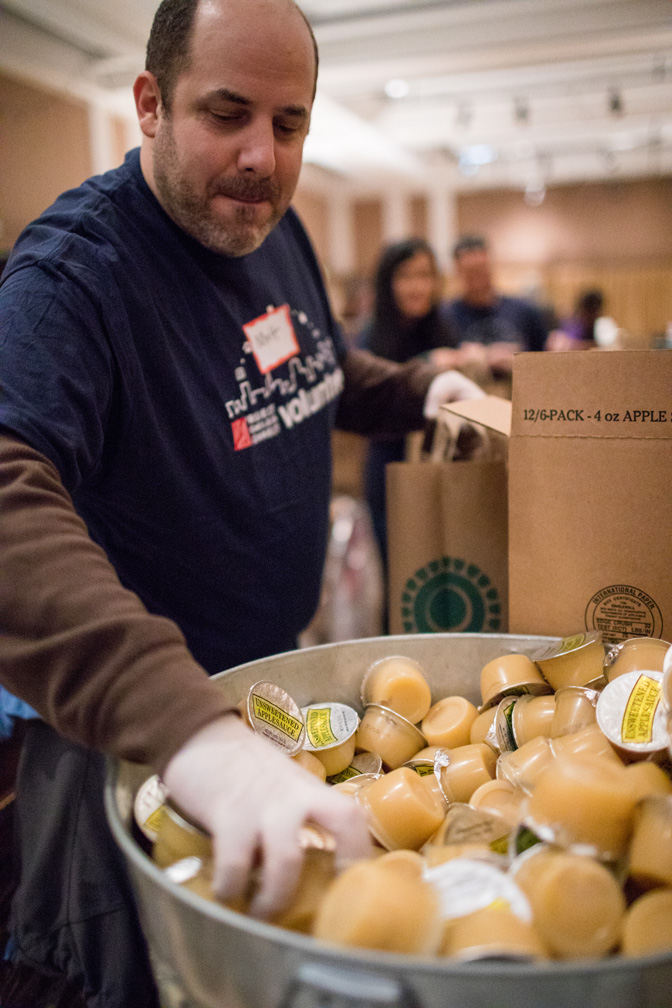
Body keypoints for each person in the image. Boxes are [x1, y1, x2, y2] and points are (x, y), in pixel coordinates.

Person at [0, 1, 482, 1004]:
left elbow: (312, 369)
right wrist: (192, 734)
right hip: (129, 735)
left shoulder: (270, 226)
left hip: (265, 695)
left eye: (289, 123)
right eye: (227, 115)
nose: (263, 156)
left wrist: (419, 390)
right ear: (150, 104)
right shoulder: (74, 279)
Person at [357, 238, 462, 591]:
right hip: (390, 465)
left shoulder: (445, 328)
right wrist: (429, 365)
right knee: (401, 577)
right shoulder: (371, 337)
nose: (418, 286)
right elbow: (368, 400)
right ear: (388, 283)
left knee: (446, 570)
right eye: (406, 276)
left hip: (442, 463)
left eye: (425, 275)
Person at [439, 234, 549, 382]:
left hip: (518, 392)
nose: (477, 278)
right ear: (458, 271)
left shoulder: (525, 311)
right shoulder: (444, 316)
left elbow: (546, 361)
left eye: (481, 269)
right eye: (470, 271)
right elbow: (437, 359)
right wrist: (463, 357)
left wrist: (516, 359)